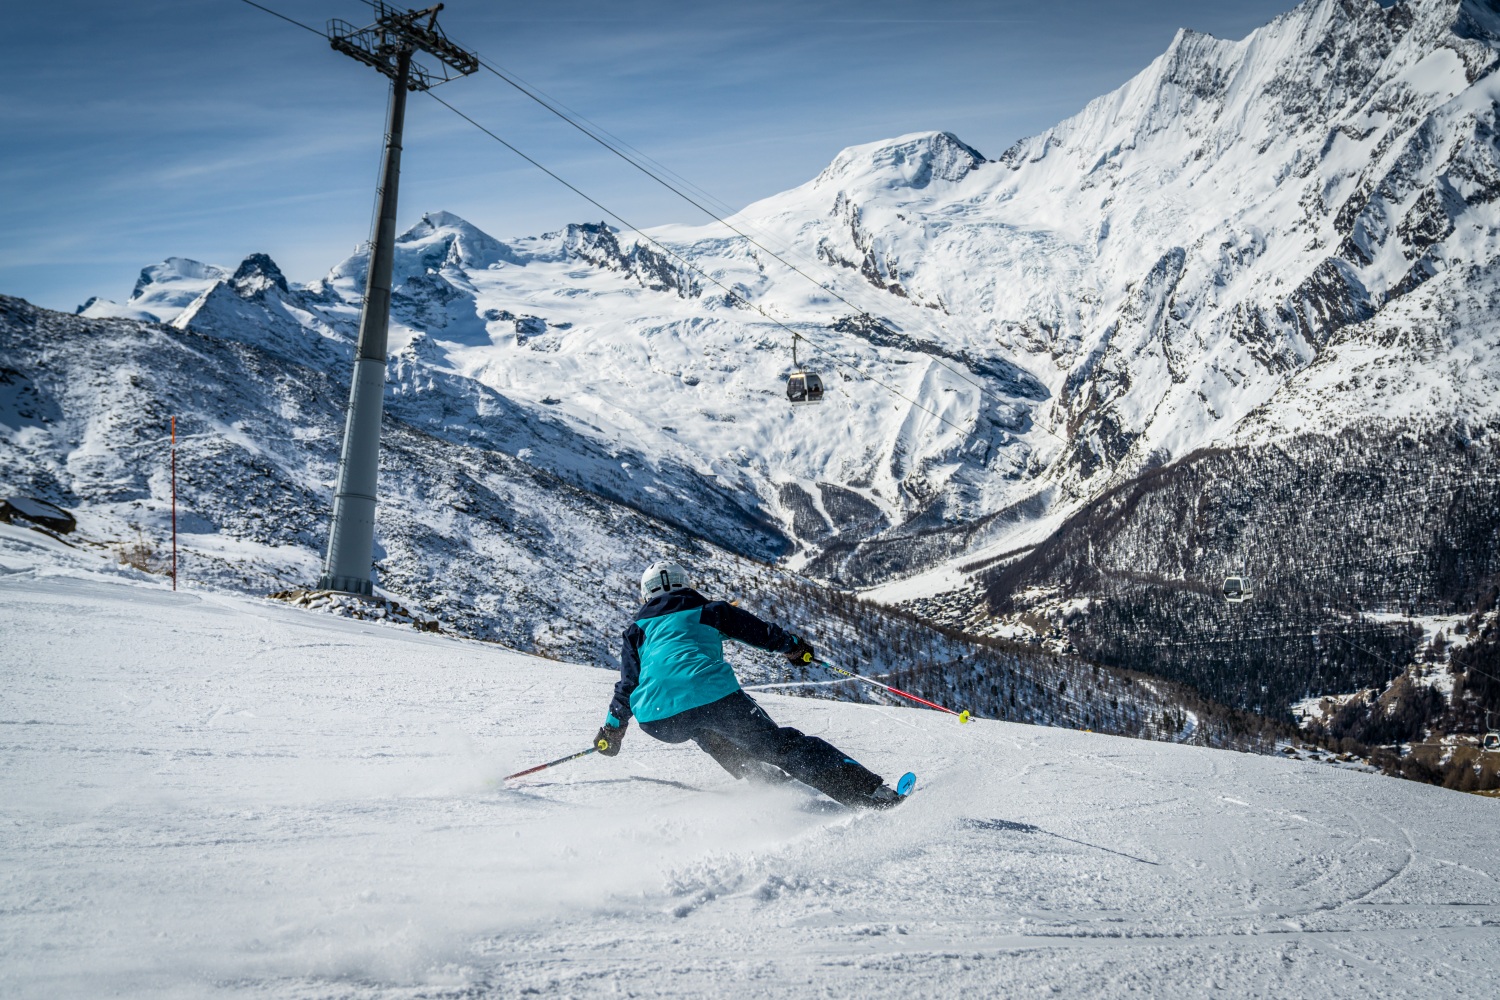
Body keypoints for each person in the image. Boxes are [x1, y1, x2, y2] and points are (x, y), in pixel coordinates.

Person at [593, 560, 903, 808]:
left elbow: (628, 686)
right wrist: (795, 648)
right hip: (713, 696)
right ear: (686, 584)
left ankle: (764, 780)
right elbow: (759, 633)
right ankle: (869, 792)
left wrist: (612, 730)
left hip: (658, 719)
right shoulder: (709, 611)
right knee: (779, 745)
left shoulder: (635, 632)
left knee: (703, 728)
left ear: (646, 595)